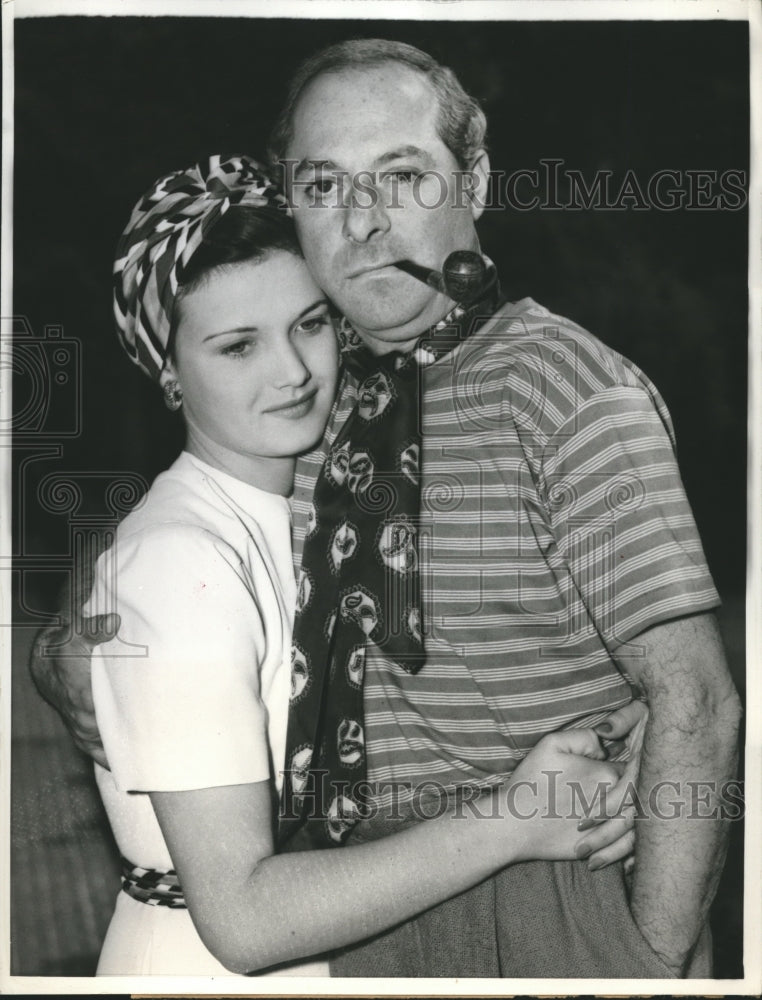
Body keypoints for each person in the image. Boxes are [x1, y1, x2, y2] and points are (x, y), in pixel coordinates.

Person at [31, 40, 741, 979]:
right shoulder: (311, 392)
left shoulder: (564, 387)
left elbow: (698, 698)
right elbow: (175, 536)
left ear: (474, 181)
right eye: (324, 185)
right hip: (369, 917)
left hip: (560, 890)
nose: (363, 221)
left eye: (401, 176)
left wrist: (652, 957)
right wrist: (67, 644)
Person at [77, 153, 632, 977]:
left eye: (308, 324)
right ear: (167, 370)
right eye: (238, 346)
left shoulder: (332, 500)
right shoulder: (176, 558)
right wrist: (517, 818)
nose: (293, 372)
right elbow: (243, 921)